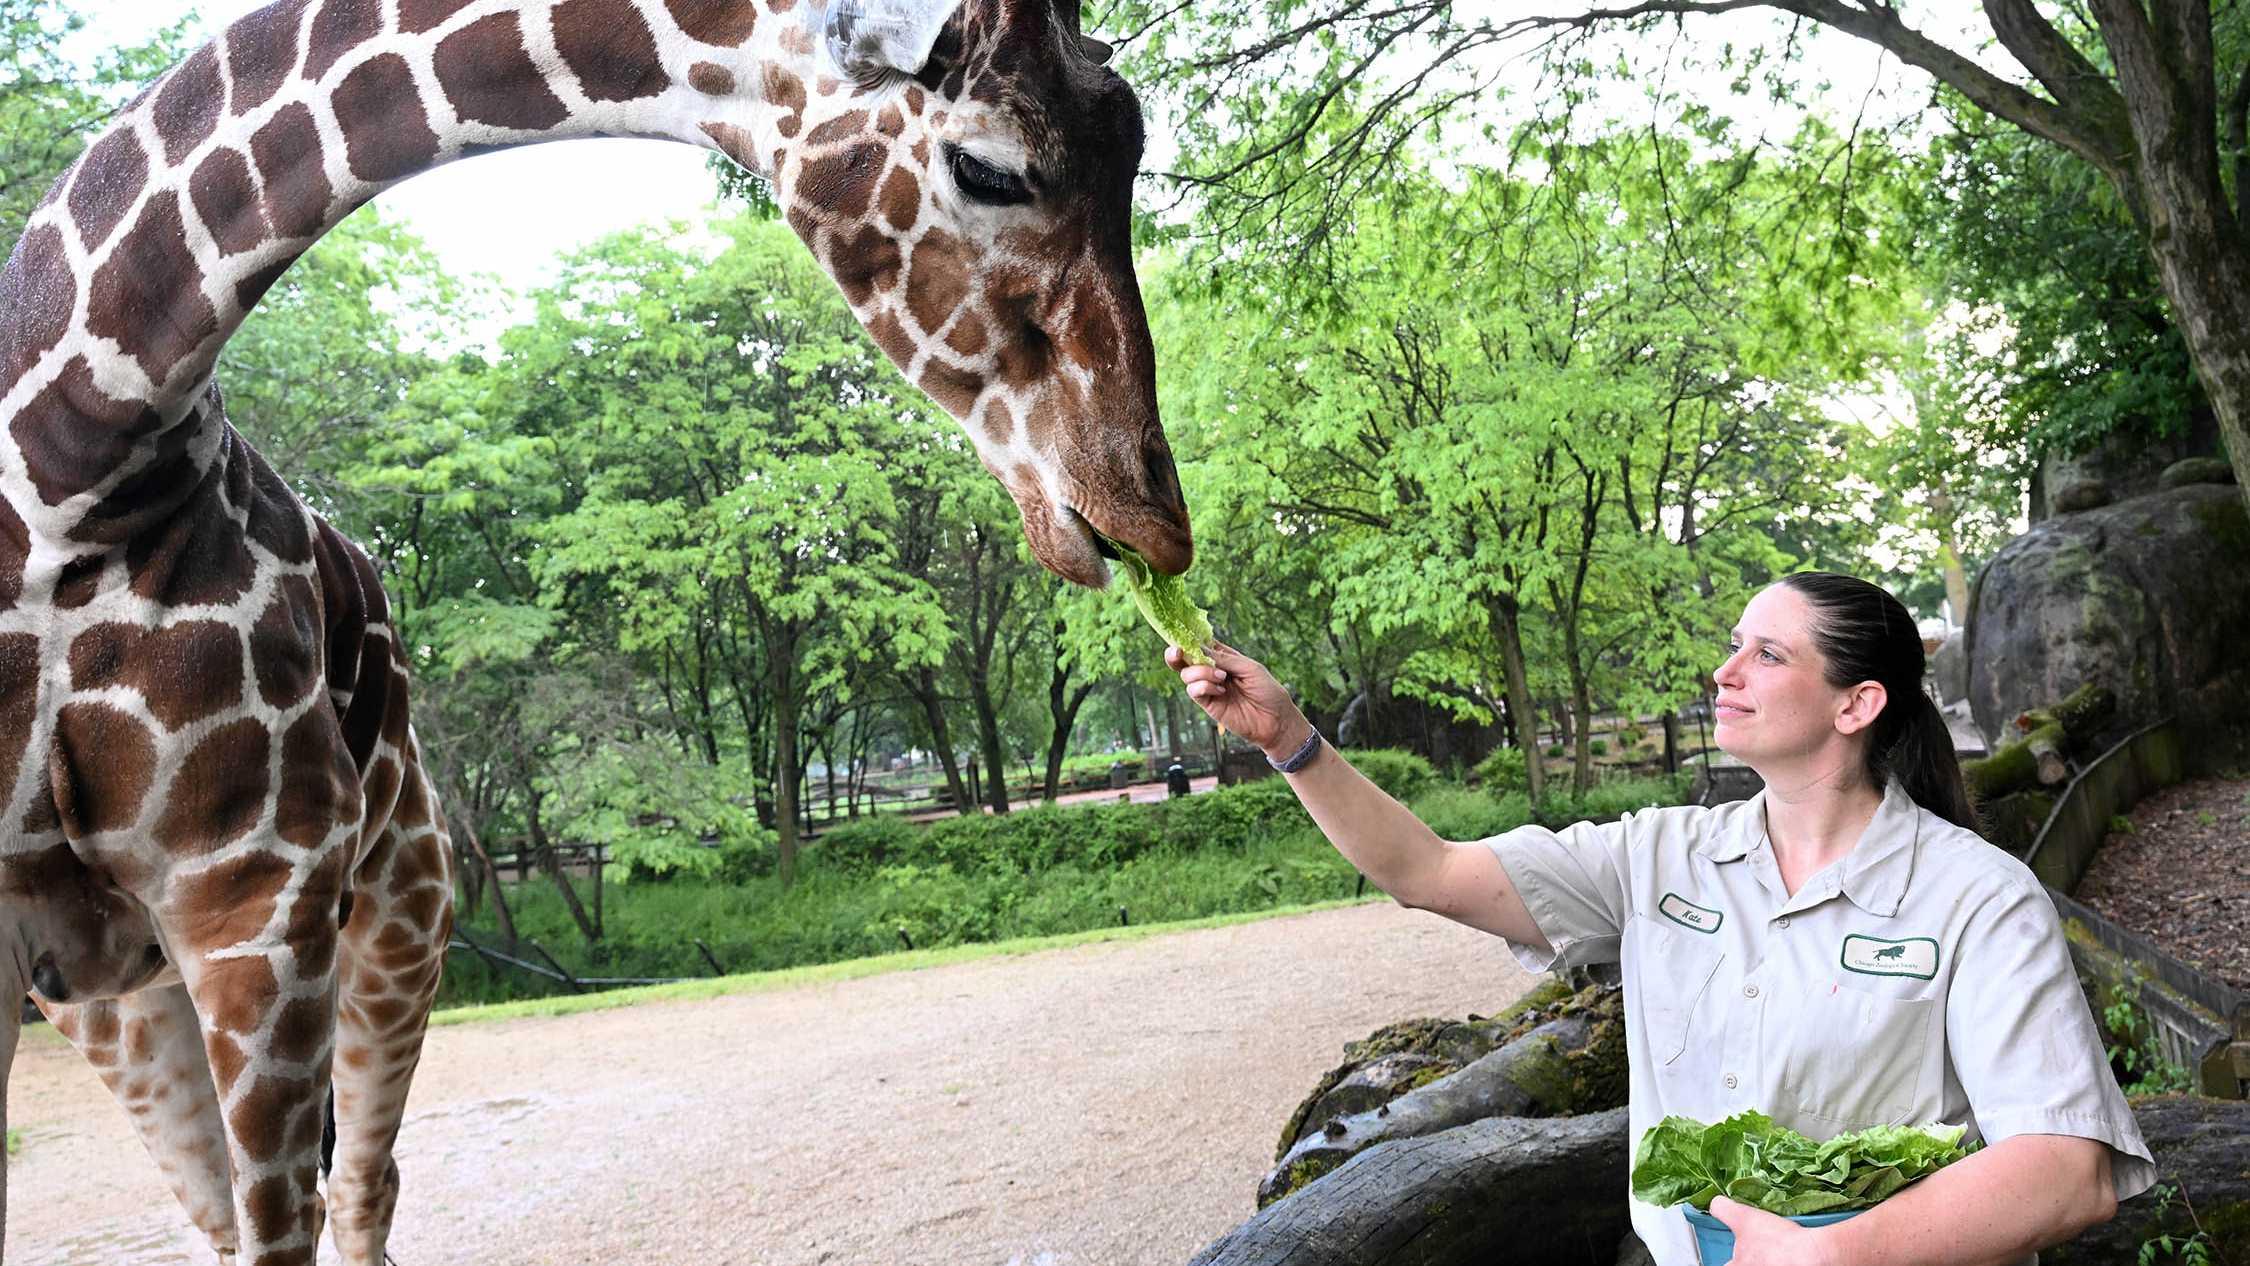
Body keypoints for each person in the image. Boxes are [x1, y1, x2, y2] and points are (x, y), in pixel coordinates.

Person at [1168, 572, 2153, 1266]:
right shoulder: (1654, 858)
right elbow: (1425, 871)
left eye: (1766, 653)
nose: (1726, 671)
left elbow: (2066, 1175)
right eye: (1735, 644)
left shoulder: (1979, 898)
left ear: (1856, 705)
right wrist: (1291, 741)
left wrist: (1838, 1252)